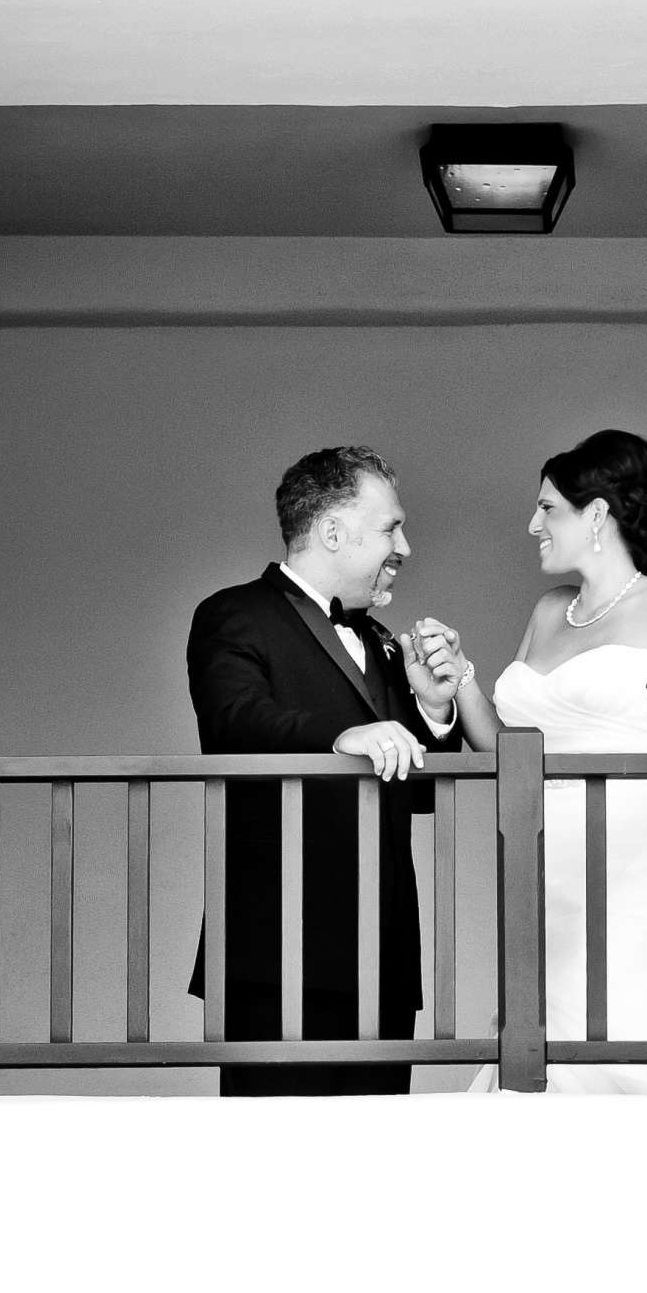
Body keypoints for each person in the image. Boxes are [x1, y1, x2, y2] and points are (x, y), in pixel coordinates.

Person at [412, 430, 647, 1093]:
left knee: (640, 1016)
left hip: (644, 858)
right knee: (545, 1028)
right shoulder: (549, 612)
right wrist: (458, 675)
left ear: (599, 516)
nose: (532, 525)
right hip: (547, 861)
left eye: (548, 509)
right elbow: (507, 750)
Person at [185, 447, 460, 1096]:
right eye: (391, 527)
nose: (407, 546)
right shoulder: (233, 614)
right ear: (334, 531)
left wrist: (434, 708)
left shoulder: (385, 642)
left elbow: (417, 794)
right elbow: (234, 720)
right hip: (274, 951)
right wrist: (343, 735)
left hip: (383, 955)